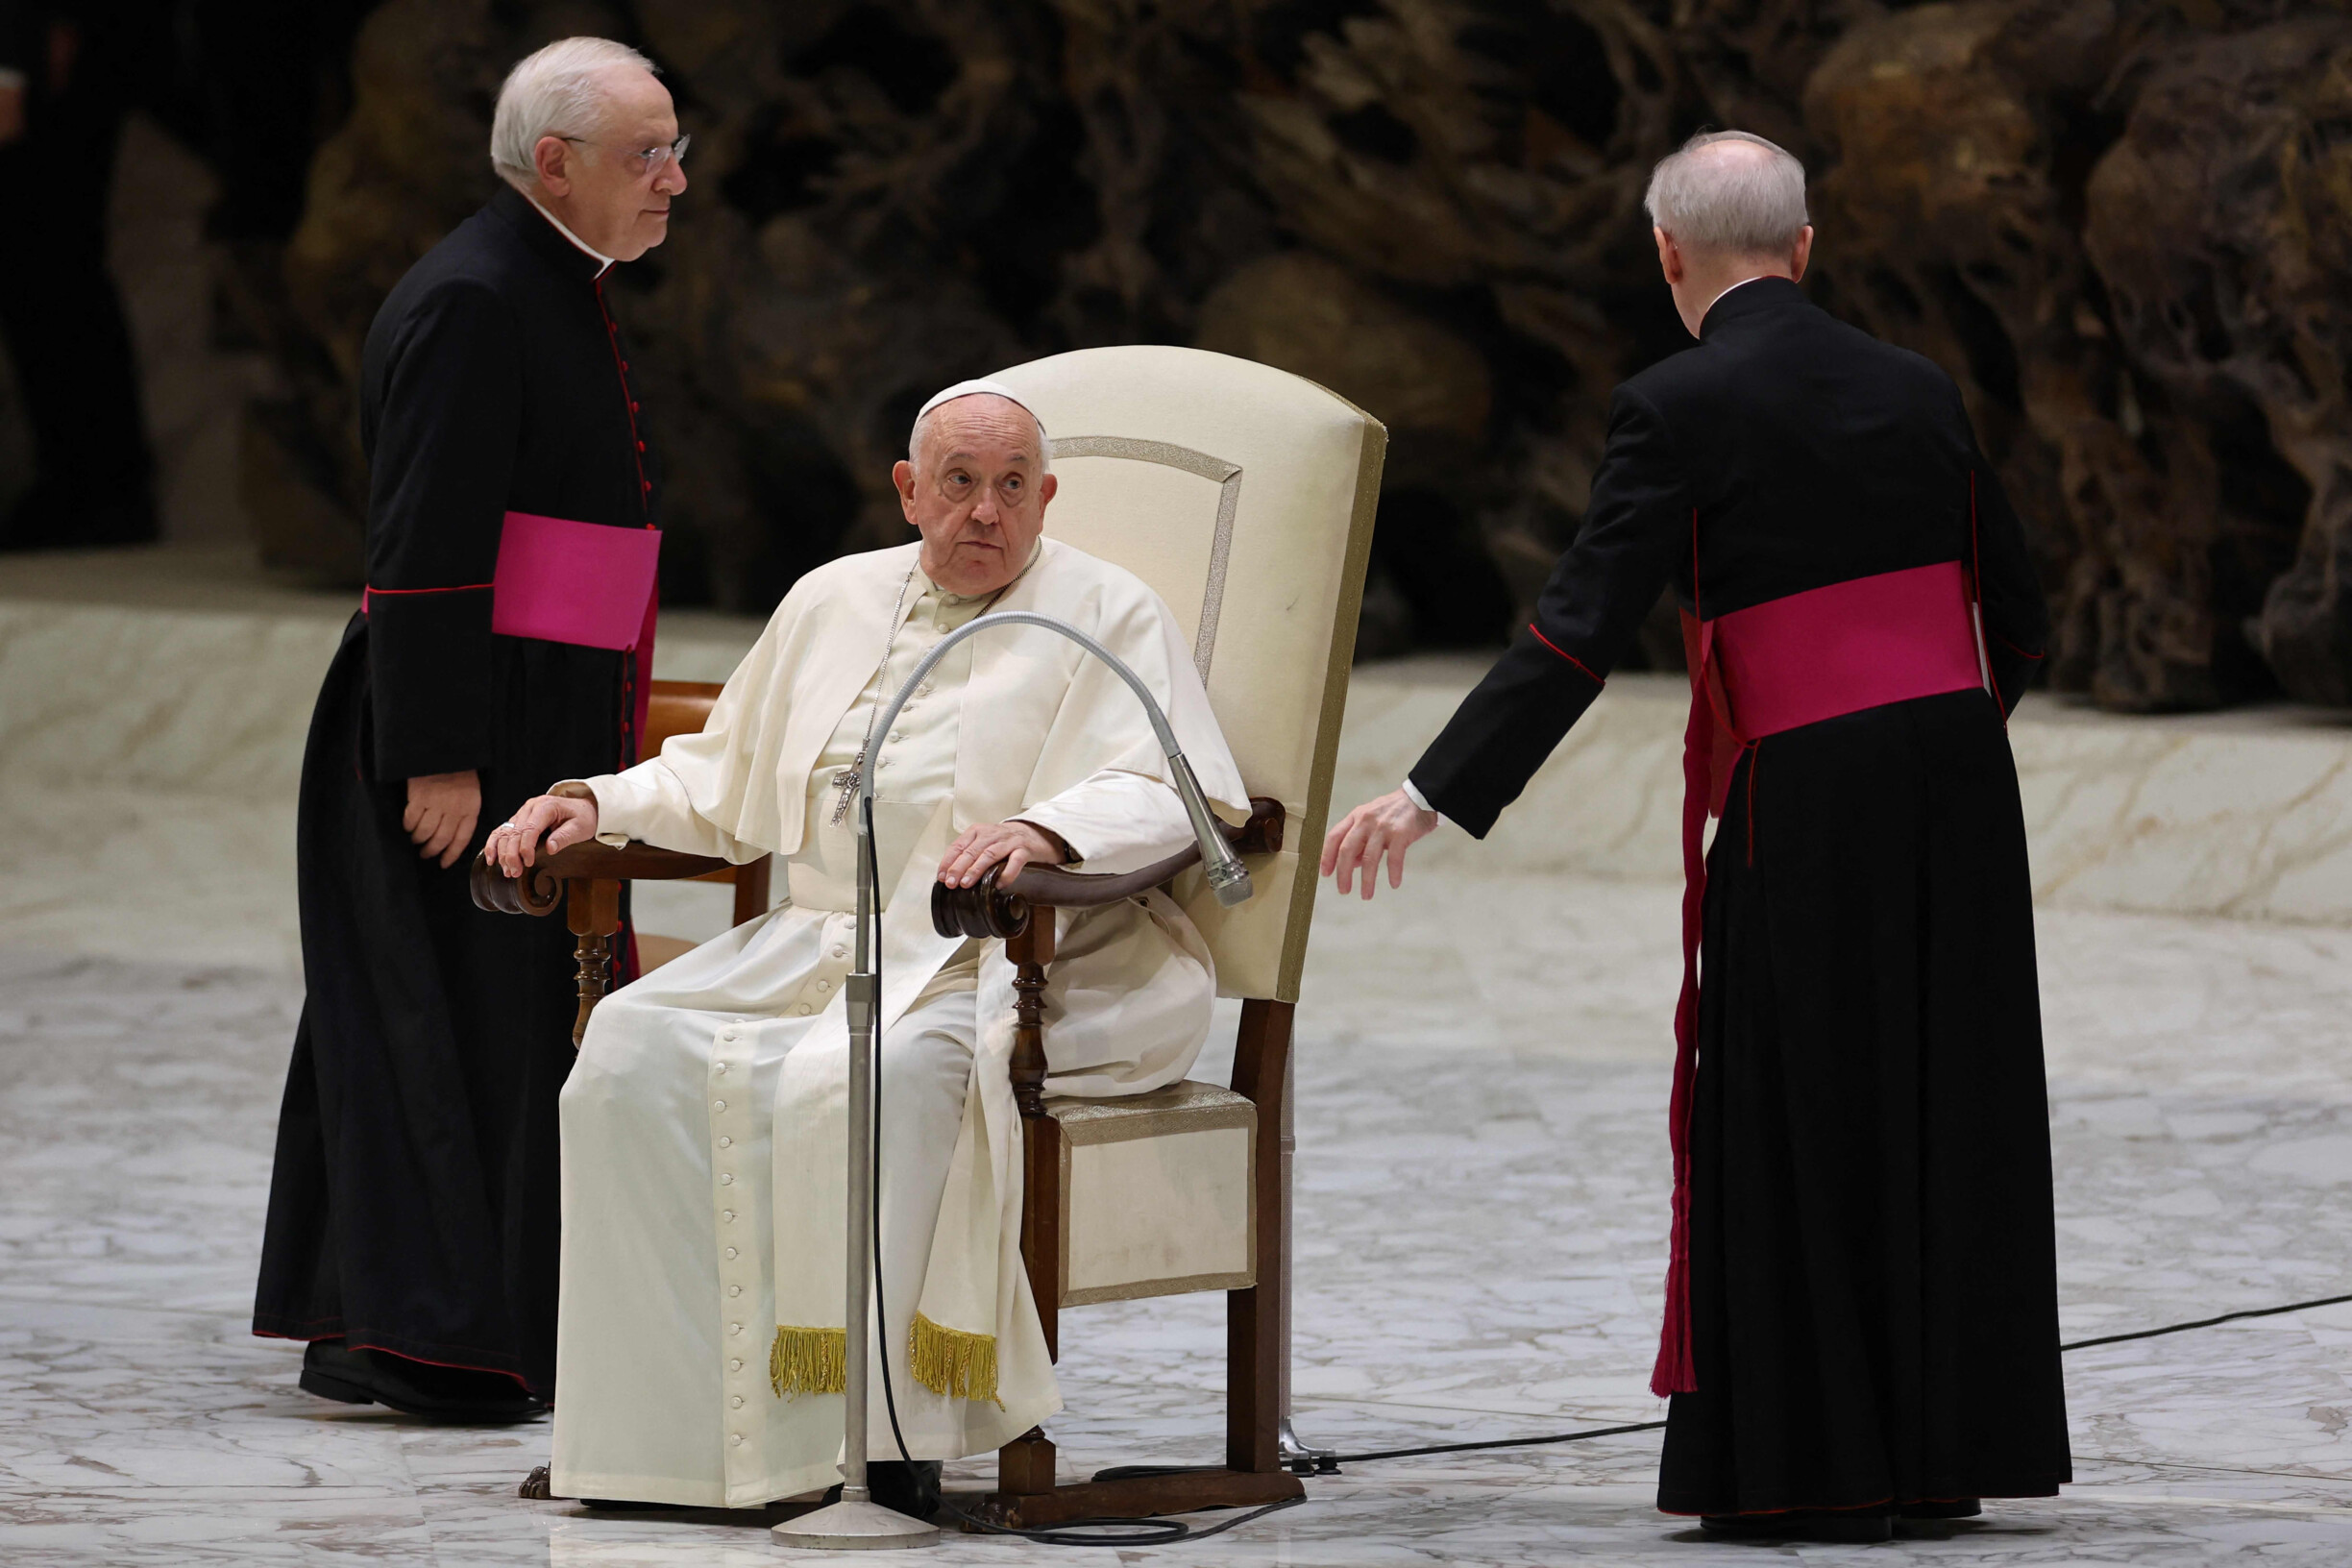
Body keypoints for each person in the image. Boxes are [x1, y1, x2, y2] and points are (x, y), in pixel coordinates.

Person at [1320, 131, 2068, 1542]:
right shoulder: (1921, 388)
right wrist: (1937, 745)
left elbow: (1576, 629)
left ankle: (1817, 1469)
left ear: (1669, 255)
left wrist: (1428, 792)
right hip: (1960, 781)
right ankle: (1943, 1454)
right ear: (1806, 244)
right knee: (1942, 1099)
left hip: (1810, 785)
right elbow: (2018, 611)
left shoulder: (1675, 401)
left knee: (1801, 1104)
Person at [485, 383, 1246, 1514]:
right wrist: (594, 803)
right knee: (629, 1051)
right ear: (907, 491)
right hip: (816, 940)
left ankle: (879, 1444)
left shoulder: (1104, 611)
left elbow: (1174, 787)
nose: (984, 513)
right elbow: (720, 774)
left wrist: (1046, 830)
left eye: (1010, 490)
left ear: (1045, 499)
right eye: (957, 483)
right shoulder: (829, 599)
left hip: (1014, 955)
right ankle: (653, 1437)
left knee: (880, 1074)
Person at [253, 37, 689, 1421]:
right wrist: (436, 753)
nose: (677, 178)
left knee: (461, 1018)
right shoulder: (479, 300)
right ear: (552, 163)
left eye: (680, 147)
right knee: (444, 1020)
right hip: (460, 728)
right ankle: (436, 1342)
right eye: (648, 153)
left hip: (527, 702)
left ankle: (410, 1317)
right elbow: (424, 540)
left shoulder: (547, 279)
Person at [0, 0, 160, 550]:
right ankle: (87, 484)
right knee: (38, 268)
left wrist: (15, 56)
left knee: (49, 260)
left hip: (54, 38)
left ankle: (99, 487)